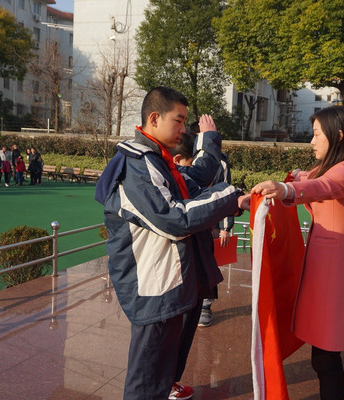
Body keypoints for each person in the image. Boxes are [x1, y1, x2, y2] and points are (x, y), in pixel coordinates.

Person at [95, 86, 244, 400]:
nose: (183, 129)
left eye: (186, 122)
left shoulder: (159, 161)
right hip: (154, 288)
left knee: (160, 374)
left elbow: (196, 179)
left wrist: (209, 138)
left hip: (169, 282)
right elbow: (174, 219)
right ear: (153, 118)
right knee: (146, 383)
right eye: (179, 121)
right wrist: (231, 196)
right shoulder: (137, 166)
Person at [242, 105, 344, 399]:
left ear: (337, 136)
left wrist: (286, 190)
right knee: (323, 353)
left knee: (326, 355)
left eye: (316, 134)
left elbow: (322, 186)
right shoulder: (330, 166)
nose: (312, 141)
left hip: (335, 274)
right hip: (322, 270)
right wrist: (252, 197)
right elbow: (304, 178)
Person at [175, 114, 235, 327]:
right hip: (190, 220)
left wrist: (225, 227)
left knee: (208, 262)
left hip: (209, 222)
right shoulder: (182, 161)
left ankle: (205, 307)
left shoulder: (220, 162)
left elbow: (226, 191)